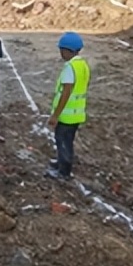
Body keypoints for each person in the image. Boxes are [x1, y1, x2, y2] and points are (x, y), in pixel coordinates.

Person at [47, 32, 91, 180]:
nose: (61, 53)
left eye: (62, 50)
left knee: (63, 142)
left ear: (68, 50)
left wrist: (55, 115)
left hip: (67, 116)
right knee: (67, 141)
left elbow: (66, 93)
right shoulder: (82, 65)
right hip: (76, 114)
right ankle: (61, 162)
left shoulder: (69, 68)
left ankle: (63, 172)